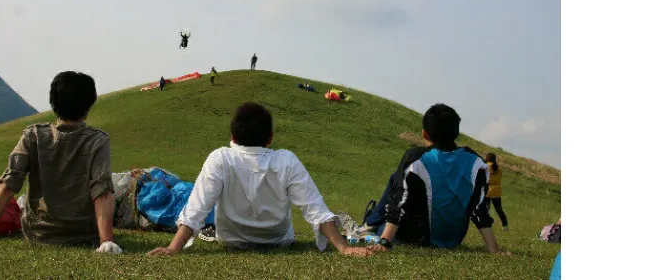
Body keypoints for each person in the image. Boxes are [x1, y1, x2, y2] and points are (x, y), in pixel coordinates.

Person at [147, 102, 376, 257]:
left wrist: (173, 248)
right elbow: (314, 208)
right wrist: (343, 248)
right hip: (278, 241)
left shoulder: (221, 158)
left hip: (231, 242)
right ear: (270, 139)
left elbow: (197, 208)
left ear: (232, 137)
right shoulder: (286, 160)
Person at [0, 71, 122, 254]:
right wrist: (106, 241)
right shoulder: (98, 140)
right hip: (84, 234)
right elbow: (101, 191)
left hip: (39, 233)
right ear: (88, 105)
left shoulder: (34, 135)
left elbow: (9, 184)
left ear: (53, 102)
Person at [368, 104, 509, 255]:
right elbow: (480, 209)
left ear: (425, 134)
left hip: (415, 238)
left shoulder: (416, 158)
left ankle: (369, 224)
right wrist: (494, 250)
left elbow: (398, 202)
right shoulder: (476, 162)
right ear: (456, 132)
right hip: (453, 240)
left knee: (395, 181)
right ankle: (369, 223)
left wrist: (385, 241)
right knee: (398, 178)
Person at [484, 152, 509, 230]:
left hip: (487, 191)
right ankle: (505, 225)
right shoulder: (499, 169)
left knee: (485, 209)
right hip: (497, 191)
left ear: (487, 158)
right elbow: (498, 180)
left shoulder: (485, 167)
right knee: (499, 209)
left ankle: (489, 222)